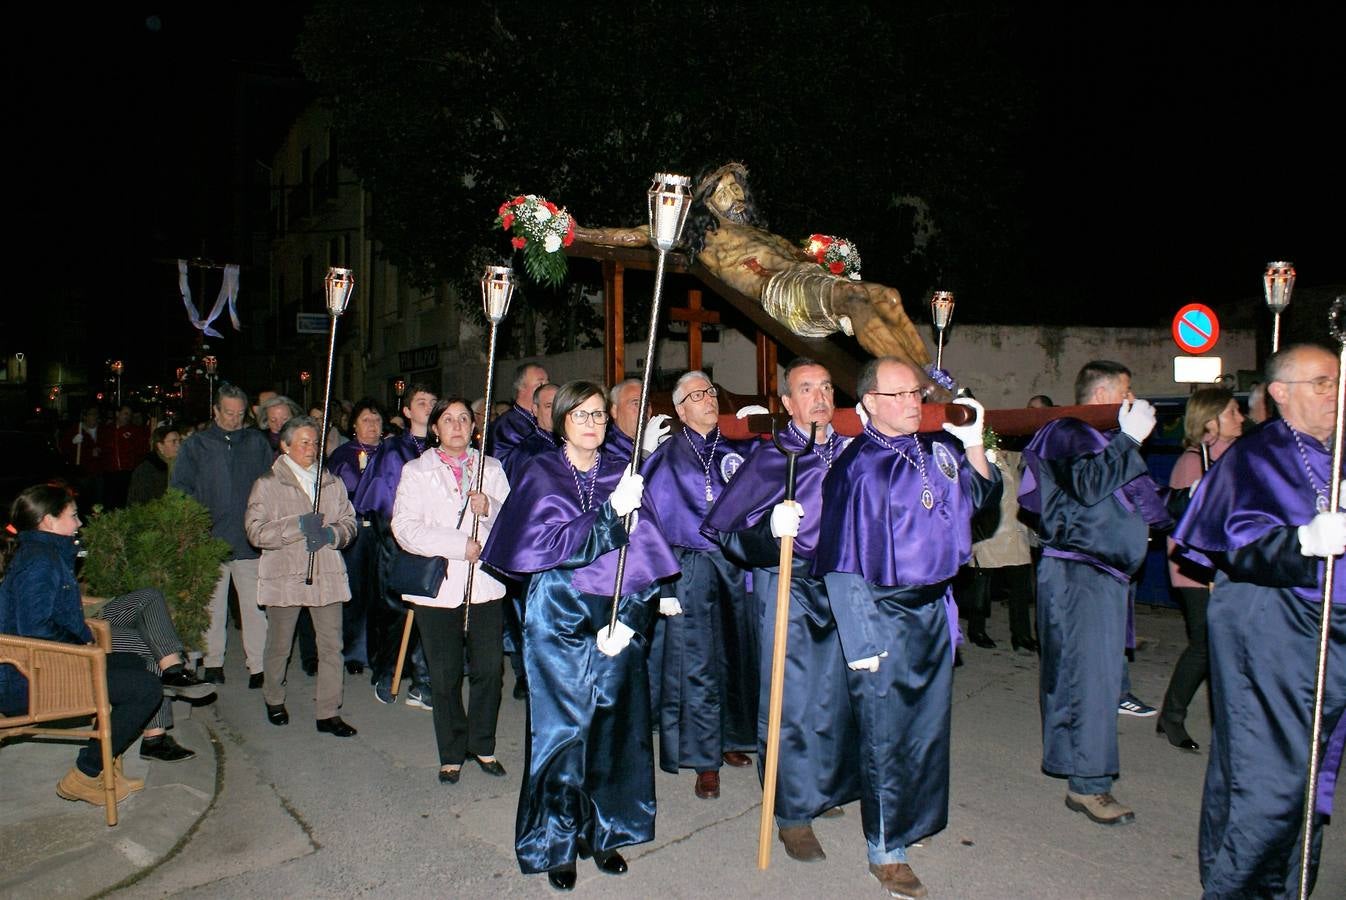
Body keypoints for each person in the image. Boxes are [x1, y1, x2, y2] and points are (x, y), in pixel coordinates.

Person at [481, 380, 679, 891]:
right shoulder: (541, 472)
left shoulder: (622, 471)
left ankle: (605, 829)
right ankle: (556, 839)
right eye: (581, 415)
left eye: (598, 415)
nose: (592, 424)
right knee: (561, 731)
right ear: (560, 420)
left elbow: (644, 557)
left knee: (614, 728)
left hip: (615, 612)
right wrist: (611, 514)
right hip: (558, 613)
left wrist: (631, 617)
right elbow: (549, 548)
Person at [814, 357, 1000, 899]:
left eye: (916, 393)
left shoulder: (936, 449)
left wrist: (971, 445)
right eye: (898, 395)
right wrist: (862, 639)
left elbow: (982, 500)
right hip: (884, 612)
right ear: (869, 402)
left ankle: (913, 821)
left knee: (927, 728)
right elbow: (840, 560)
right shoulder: (856, 468)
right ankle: (885, 847)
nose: (913, 403)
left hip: (933, 608)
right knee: (885, 734)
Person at [1172, 344, 1346, 896]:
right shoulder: (1255, 457)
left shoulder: (1337, 450)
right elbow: (1235, 543)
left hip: (1331, 628)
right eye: (1321, 382)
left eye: (1337, 380)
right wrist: (1302, 541)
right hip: (1274, 623)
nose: (1334, 392)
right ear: (1280, 392)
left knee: (1310, 779)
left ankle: (1291, 884)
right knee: (1268, 782)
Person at [703, 358, 861, 863]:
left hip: (842, 588)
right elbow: (726, 532)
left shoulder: (854, 455)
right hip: (788, 586)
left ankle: (822, 785)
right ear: (787, 403)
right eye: (806, 389)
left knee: (835, 696)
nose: (819, 397)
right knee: (789, 701)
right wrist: (768, 532)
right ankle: (791, 810)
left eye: (826, 387)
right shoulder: (774, 459)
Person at [572, 162, 928, 366]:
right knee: (853, 298)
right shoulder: (705, 236)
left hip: (810, 278)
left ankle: (932, 376)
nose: (734, 196)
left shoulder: (767, 235)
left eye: (735, 187)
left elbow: (806, 254)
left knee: (888, 297)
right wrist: (581, 232)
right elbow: (636, 235)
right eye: (722, 193)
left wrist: (834, 255)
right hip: (781, 291)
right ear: (708, 206)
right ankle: (920, 385)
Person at [1019, 361, 1170, 826]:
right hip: (1080, 573)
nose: (1133, 397)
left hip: (1100, 575)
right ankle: (1090, 786)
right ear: (1104, 393)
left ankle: (1079, 772)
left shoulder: (1099, 439)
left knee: (1086, 677)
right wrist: (1127, 441)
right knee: (1090, 681)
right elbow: (1086, 487)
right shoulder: (1067, 430)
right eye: (1127, 390)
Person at [0, 484, 169, 807]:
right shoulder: (40, 560)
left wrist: (85, 641)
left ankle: (104, 765)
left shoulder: (44, 553)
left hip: (45, 665)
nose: (79, 523)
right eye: (73, 516)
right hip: (30, 680)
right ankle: (84, 775)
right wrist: (85, 648)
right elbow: (35, 629)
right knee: (145, 689)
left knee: (136, 663)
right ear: (48, 521)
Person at [641, 370, 759, 799]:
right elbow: (649, 522)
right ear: (680, 409)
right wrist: (665, 583)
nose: (708, 399)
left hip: (732, 564)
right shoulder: (667, 456)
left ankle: (730, 738)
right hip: (689, 567)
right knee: (697, 663)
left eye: (711, 391)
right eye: (696, 395)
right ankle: (703, 758)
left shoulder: (736, 450)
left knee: (734, 653)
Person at [392, 398, 510, 784]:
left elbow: (512, 519)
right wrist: (458, 545)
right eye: (448, 419)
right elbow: (405, 528)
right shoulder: (416, 471)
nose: (458, 425)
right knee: (443, 675)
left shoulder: (489, 468)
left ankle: (482, 743)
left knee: (489, 669)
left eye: (464, 418)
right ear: (436, 428)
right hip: (439, 586)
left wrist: (488, 505)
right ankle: (451, 750)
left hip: (485, 585)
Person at [245, 416, 358, 737]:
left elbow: (349, 521)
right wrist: (297, 526)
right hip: (284, 574)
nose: (311, 448)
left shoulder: (330, 482)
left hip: (326, 573)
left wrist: (332, 534)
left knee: (331, 646)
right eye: (304, 442)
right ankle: (274, 697)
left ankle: (328, 711)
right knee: (280, 644)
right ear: (285, 445)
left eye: (315, 442)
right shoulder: (268, 484)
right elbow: (255, 531)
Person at [171, 384, 275, 687]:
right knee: (211, 607)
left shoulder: (256, 443)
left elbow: (269, 485)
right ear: (215, 411)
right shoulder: (196, 446)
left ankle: (258, 665)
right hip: (209, 542)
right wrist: (191, 527)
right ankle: (213, 661)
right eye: (227, 412)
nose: (233, 419)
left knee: (255, 609)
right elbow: (180, 488)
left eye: (239, 413)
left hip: (248, 541)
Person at [1158, 386, 1242, 752]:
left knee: (1226, 646)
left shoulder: (1237, 457)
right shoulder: (1195, 461)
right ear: (1211, 421)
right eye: (1233, 412)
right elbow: (1177, 520)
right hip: (1195, 569)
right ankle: (1172, 716)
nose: (1241, 418)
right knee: (1204, 645)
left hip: (1229, 567)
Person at [353, 383, 437, 708]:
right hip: (399, 541)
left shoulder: (440, 446)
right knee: (399, 611)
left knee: (431, 610)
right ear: (407, 410)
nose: (428, 407)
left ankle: (423, 680)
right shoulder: (392, 451)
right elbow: (382, 499)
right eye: (421, 401)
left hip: (435, 542)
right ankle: (389, 670)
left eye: (432, 401)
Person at [327, 398, 385, 674]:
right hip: (358, 530)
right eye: (366, 421)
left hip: (386, 530)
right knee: (357, 591)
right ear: (354, 425)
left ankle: (381, 651)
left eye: (376, 421)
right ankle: (355, 651)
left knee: (383, 593)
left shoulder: (390, 453)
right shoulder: (342, 455)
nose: (372, 426)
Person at [963, 443, 1038, 653]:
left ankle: (1021, 635)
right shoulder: (981, 456)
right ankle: (976, 630)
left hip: (1015, 530)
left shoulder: (1017, 457)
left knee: (1020, 586)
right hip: (991, 531)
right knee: (981, 583)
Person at [490, 362, 549, 469]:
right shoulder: (504, 425)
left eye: (547, 383)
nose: (547, 389)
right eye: (540, 385)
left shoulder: (547, 418)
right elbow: (502, 468)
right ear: (521, 388)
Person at [605, 377, 670, 465]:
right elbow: (628, 477)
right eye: (636, 404)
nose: (644, 410)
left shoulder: (655, 440)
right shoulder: (605, 448)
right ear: (614, 410)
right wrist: (645, 453)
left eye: (647, 404)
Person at [127, 424, 182, 506]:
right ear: (160, 446)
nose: (179, 445)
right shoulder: (146, 470)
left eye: (180, 441)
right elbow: (138, 503)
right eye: (174, 442)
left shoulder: (183, 465)